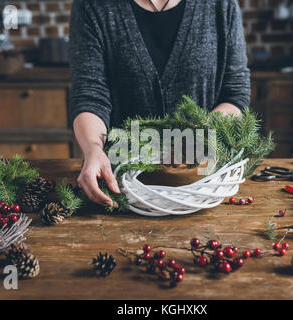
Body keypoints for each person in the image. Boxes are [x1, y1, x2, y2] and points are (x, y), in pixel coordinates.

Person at [69, 0, 250, 207]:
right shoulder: (92, 5)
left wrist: (202, 134)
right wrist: (93, 147)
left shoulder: (221, 4)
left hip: (203, 188)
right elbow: (89, 93)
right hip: (119, 191)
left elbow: (235, 93)